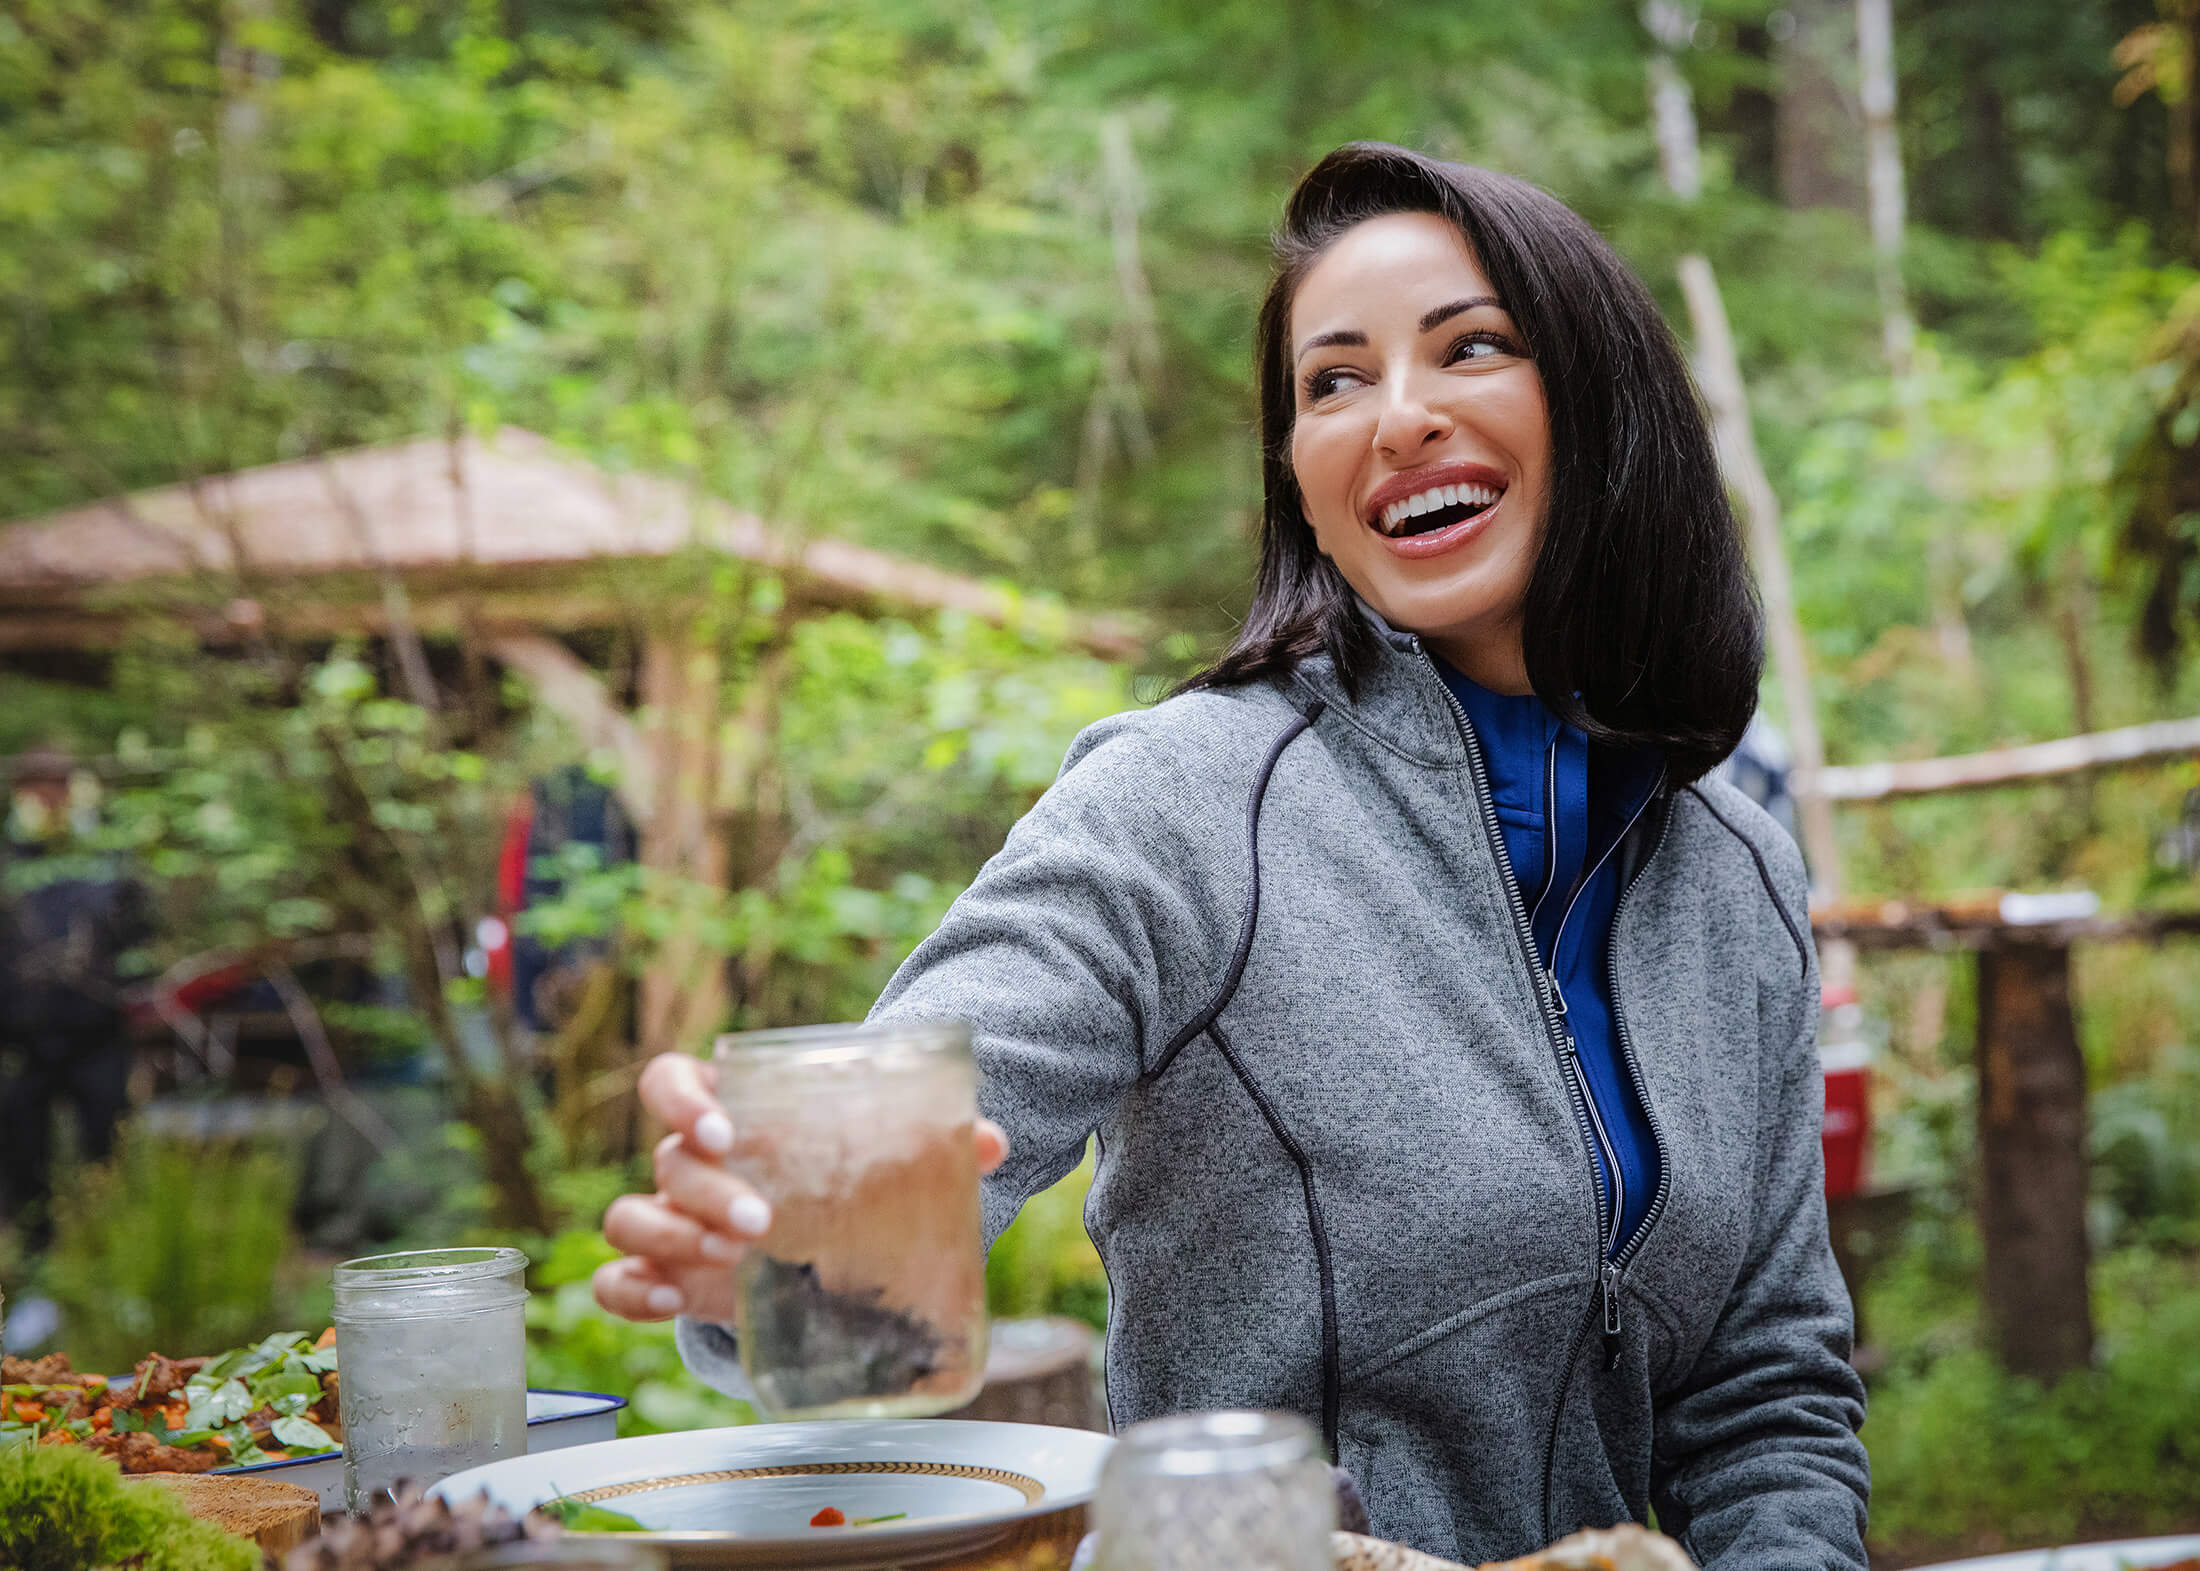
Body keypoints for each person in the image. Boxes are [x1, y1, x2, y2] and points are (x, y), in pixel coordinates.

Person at [590, 143, 1869, 1568]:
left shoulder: (1739, 872)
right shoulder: (1185, 800)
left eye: (1474, 347)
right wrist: (774, 1255)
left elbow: (1772, 1393)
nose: (1398, 418)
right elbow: (914, 1140)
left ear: (1603, 404)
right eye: (1333, 381)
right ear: (1303, 486)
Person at [0, 744, 148, 1248]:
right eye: (40, 785)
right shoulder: (9, 859)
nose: (51, 797)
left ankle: (106, 1246)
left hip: (98, 1030)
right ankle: (35, 1251)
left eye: (60, 784)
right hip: (21, 1037)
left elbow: (139, 935)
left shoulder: (107, 857)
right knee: (23, 1150)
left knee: (104, 1145)